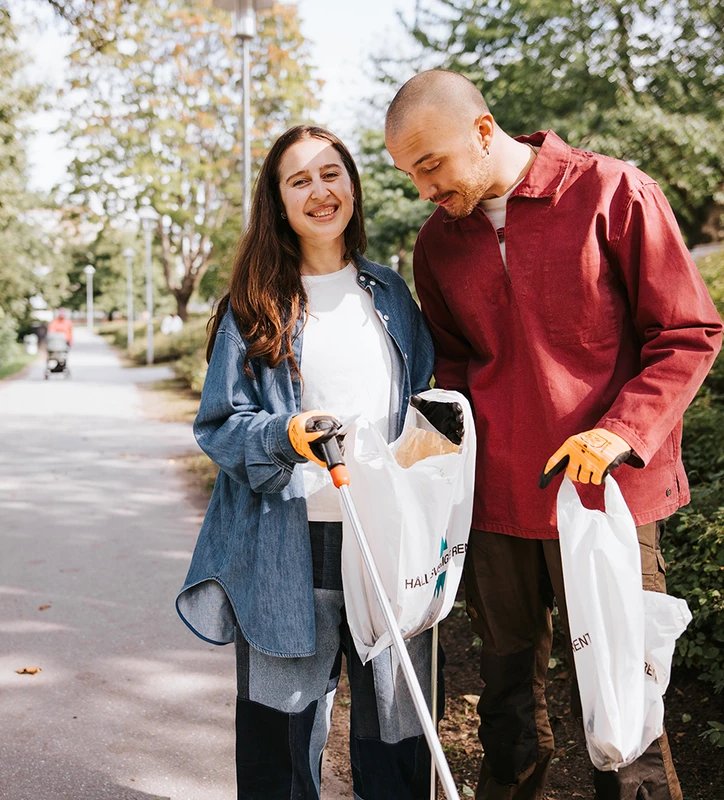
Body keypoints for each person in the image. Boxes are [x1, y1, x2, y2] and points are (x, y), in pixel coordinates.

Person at [384, 70, 724, 800]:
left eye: (430, 165)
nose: (423, 188)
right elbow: (452, 372)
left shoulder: (613, 192)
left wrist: (619, 432)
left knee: (624, 704)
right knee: (506, 708)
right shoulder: (437, 244)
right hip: (498, 506)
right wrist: (430, 469)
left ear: (482, 131)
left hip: (606, 500)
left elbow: (687, 333)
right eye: (410, 174)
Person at [176, 124, 443, 799]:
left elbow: (423, 408)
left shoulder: (390, 296)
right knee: (282, 744)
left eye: (332, 173)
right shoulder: (252, 306)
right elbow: (219, 426)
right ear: (279, 202)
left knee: (398, 728)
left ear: (351, 184)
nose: (320, 191)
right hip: (287, 548)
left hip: (388, 544)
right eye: (300, 180)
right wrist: (287, 433)